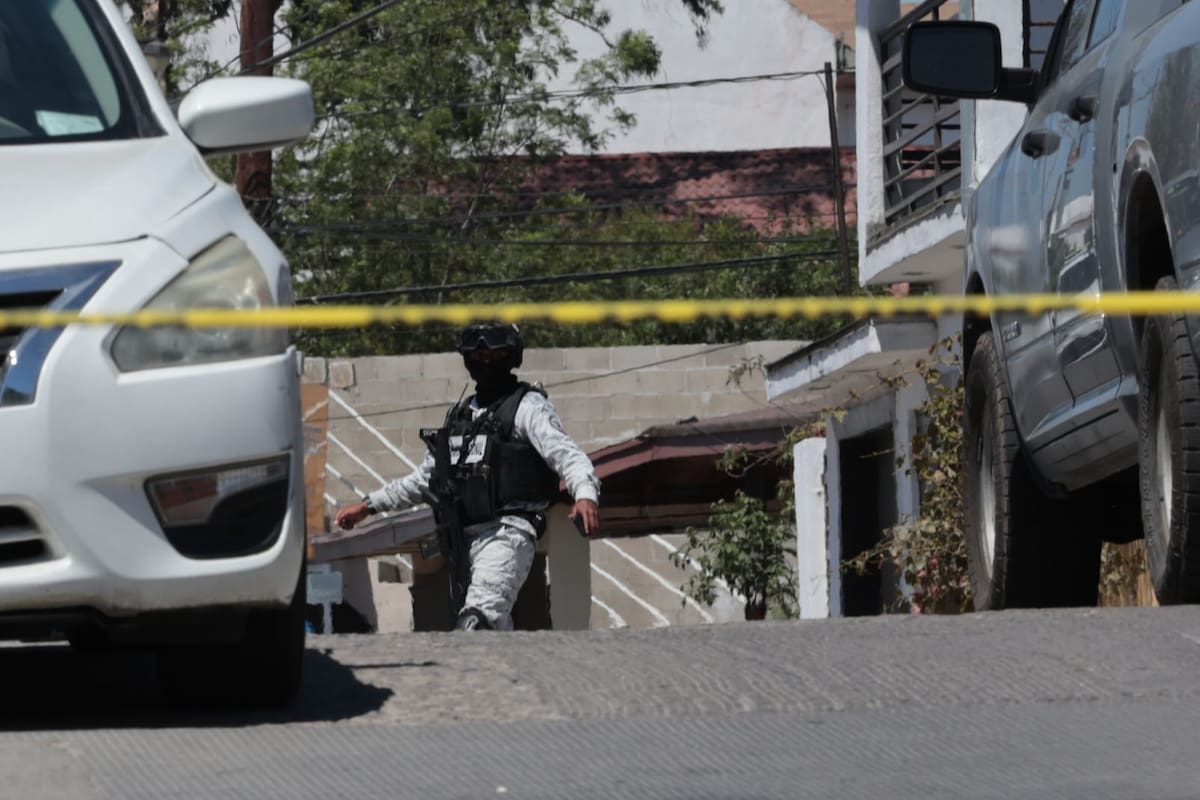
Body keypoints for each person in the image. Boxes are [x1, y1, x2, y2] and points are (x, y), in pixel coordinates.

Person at [334, 321, 600, 631]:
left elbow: (567, 454)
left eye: (494, 356)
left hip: (507, 532)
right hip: (463, 539)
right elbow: (425, 479)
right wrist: (368, 506)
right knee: (491, 628)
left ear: (511, 358)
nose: (485, 363)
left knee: (476, 621)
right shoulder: (459, 416)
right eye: (478, 357)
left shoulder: (527, 407)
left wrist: (585, 494)